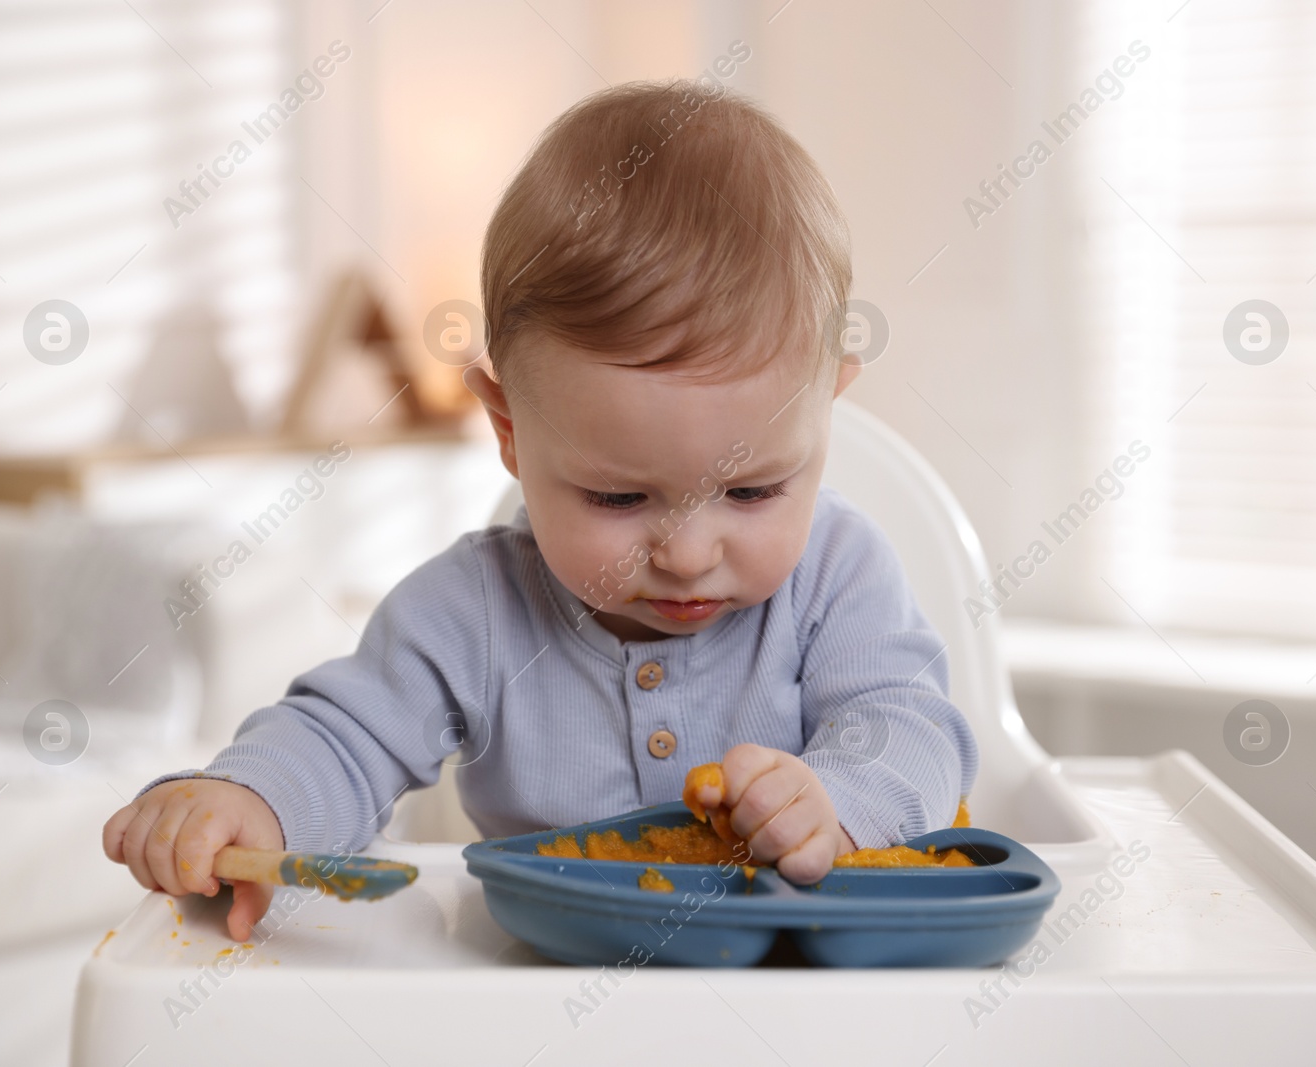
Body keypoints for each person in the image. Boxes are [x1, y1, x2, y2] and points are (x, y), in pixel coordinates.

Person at [104, 77, 978, 941]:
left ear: (830, 407)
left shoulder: (837, 578)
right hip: (539, 995)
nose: (686, 551)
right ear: (509, 428)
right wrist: (249, 801)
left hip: (796, 993)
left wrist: (837, 804)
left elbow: (911, 726)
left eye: (750, 492)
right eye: (619, 496)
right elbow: (345, 736)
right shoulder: (474, 609)